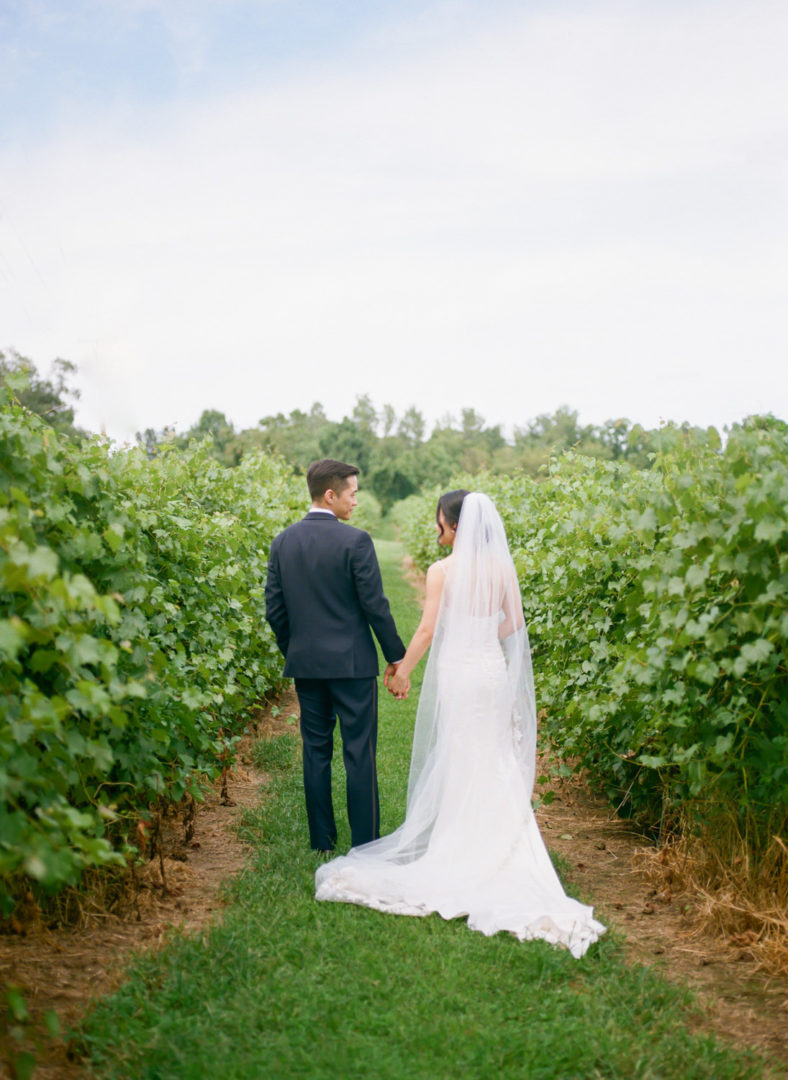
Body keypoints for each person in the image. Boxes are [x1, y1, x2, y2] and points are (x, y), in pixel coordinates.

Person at [315, 490, 605, 958]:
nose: (437, 532)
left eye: (440, 525)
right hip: (489, 670)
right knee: (491, 755)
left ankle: (456, 849)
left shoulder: (443, 571)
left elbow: (428, 629)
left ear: (453, 526)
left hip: (461, 672)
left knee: (461, 755)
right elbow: (513, 624)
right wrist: (480, 635)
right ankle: (503, 850)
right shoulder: (501, 569)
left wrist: (402, 670)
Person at [265, 459, 407, 854]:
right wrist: (395, 656)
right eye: (352, 494)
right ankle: (364, 842)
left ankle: (322, 841)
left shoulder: (283, 542)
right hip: (352, 665)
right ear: (331, 495)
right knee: (359, 752)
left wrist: (296, 650)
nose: (355, 502)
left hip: (307, 666)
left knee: (315, 750)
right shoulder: (356, 542)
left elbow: (274, 610)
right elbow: (375, 606)